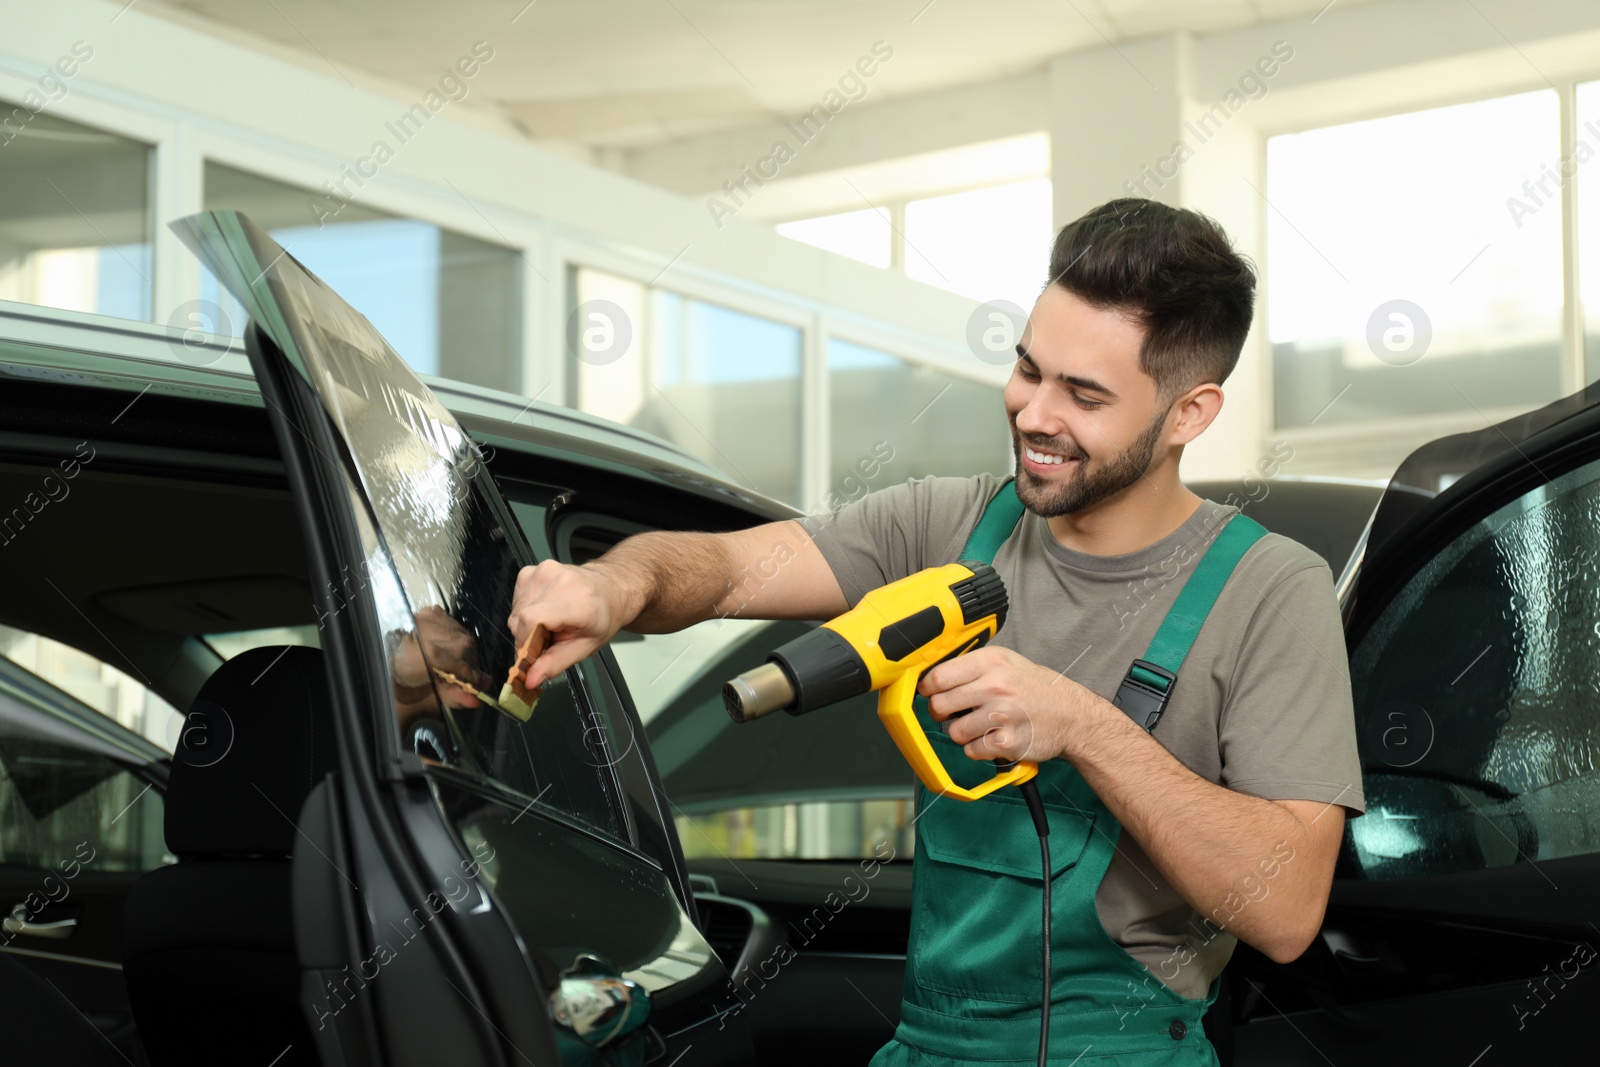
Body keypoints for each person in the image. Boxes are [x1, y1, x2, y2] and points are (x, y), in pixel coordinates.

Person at [506, 197, 1365, 1066]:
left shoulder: (1268, 590)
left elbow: (1287, 909)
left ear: (1190, 413)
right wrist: (613, 585)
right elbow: (726, 568)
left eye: (1084, 394)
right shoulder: (941, 524)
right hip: (927, 1046)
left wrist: (1082, 725)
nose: (1033, 413)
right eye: (1029, 369)